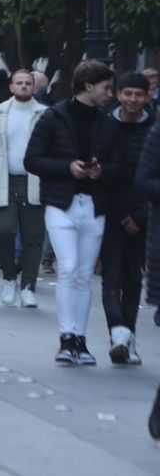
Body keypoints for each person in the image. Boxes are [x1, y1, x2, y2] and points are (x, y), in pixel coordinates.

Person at [26, 59, 122, 367]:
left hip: (94, 205)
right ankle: (67, 337)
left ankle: (79, 338)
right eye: (107, 87)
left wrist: (100, 171)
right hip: (61, 203)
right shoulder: (53, 118)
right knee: (68, 268)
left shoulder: (109, 124)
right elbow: (33, 160)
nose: (111, 94)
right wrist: (67, 168)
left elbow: (121, 167)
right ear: (88, 86)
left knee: (83, 273)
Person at [0, 69, 48, 309]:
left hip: (34, 180)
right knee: (3, 231)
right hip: (3, 180)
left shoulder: (45, 115)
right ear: (11, 87)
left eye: (27, 83)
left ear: (34, 87)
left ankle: (29, 286)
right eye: (18, 83)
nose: (23, 86)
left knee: (34, 237)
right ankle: (9, 277)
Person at [101, 71, 150, 364]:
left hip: (144, 217)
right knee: (111, 278)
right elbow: (102, 175)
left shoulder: (154, 130)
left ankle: (128, 337)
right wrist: (120, 214)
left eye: (138, 94)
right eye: (127, 93)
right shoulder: (105, 127)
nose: (132, 100)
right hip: (109, 215)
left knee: (133, 279)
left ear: (147, 97)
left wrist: (140, 216)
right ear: (118, 94)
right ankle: (117, 333)